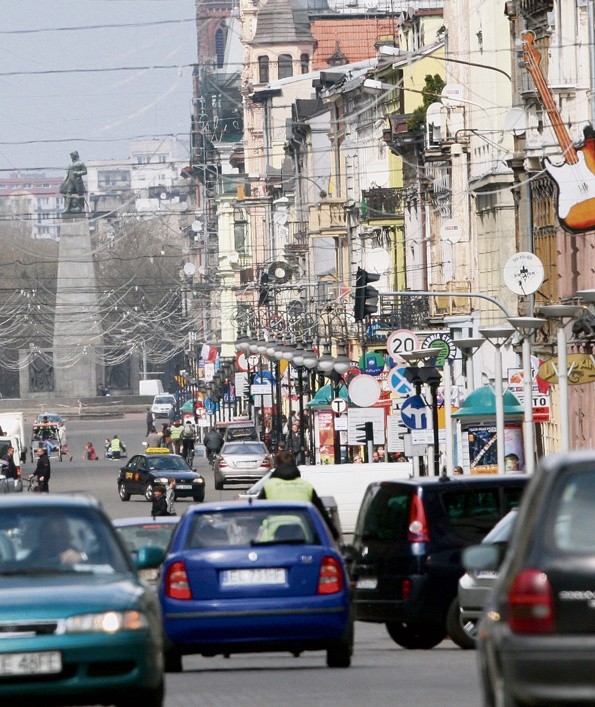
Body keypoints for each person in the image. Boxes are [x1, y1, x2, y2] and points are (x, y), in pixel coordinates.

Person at [258, 451, 339, 541]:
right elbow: (321, 513)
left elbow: (257, 514)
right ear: (294, 464)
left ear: (277, 465)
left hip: (272, 539)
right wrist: (334, 534)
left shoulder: (269, 486)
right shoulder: (306, 486)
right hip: (303, 538)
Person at [60, 150, 87, 214]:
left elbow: (85, 172)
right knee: (68, 194)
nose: (71, 157)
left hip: (78, 181)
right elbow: (67, 173)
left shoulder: (81, 163)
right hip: (70, 181)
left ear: (75, 155)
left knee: (80, 194)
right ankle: (66, 208)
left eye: (72, 156)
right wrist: (64, 181)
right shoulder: (71, 164)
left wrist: (78, 173)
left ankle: (82, 208)